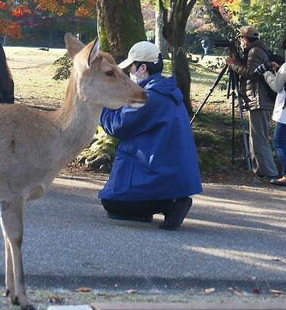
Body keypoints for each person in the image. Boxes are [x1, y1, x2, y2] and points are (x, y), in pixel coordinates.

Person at [98, 41, 202, 230]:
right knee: (114, 200)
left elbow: (117, 126)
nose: (129, 73)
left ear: (142, 68)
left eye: (131, 68)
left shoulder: (148, 96)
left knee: (111, 203)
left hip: (158, 175)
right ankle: (164, 202)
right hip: (169, 175)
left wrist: (101, 105)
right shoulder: (168, 93)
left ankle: (169, 205)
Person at [226, 26, 278, 180]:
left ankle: (270, 172)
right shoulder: (257, 50)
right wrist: (235, 56)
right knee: (255, 137)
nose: (240, 42)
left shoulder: (255, 52)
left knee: (259, 137)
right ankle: (259, 170)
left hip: (259, 99)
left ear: (245, 39)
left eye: (241, 39)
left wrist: (232, 65)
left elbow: (249, 73)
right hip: (258, 99)